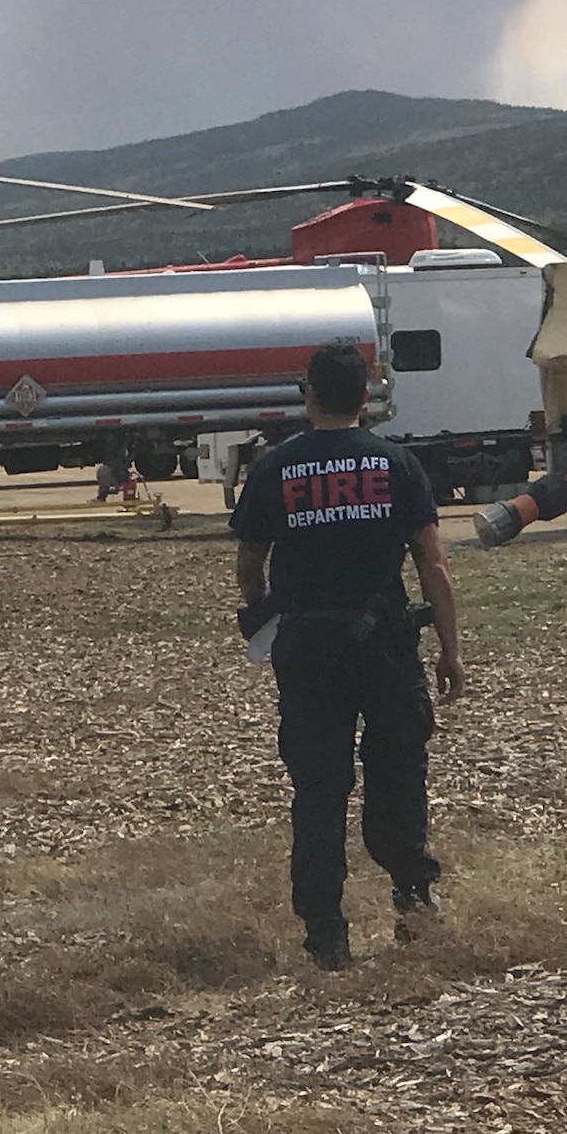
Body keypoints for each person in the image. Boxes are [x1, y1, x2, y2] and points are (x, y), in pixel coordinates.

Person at [229, 339, 464, 970]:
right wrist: (450, 650)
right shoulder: (398, 466)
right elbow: (434, 565)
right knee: (398, 773)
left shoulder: (275, 469)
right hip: (386, 645)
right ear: (367, 395)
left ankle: (326, 934)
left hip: (306, 650)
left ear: (307, 393)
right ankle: (414, 899)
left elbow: (249, 564)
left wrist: (264, 617)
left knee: (318, 788)